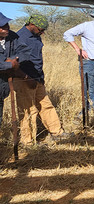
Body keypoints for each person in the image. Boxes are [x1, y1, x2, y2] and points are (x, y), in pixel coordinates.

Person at [15, 15, 67, 145]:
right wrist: (27, 78)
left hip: (38, 77)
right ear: (32, 25)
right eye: (41, 29)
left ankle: (57, 132)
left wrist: (40, 77)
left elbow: (37, 59)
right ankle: (28, 141)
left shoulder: (36, 36)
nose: (42, 32)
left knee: (46, 105)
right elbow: (17, 63)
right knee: (28, 110)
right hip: (25, 79)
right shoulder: (19, 38)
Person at [0, 12, 30, 124]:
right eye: (2, 26)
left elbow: (25, 51)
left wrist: (14, 60)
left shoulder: (12, 36)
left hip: (3, 86)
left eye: (7, 24)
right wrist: (8, 65)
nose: (6, 28)